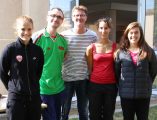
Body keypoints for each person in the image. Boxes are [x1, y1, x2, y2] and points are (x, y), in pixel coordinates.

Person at [0, 15, 44, 120]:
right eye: (23, 29)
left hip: (34, 98)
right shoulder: (10, 49)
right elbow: (2, 72)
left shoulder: (37, 51)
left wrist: (32, 86)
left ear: (32, 29)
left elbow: (38, 72)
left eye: (29, 29)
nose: (26, 32)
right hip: (16, 100)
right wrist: (14, 88)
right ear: (17, 30)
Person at [115, 22, 157, 120]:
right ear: (127, 34)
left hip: (143, 95)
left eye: (136, 32)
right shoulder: (120, 53)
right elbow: (117, 73)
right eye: (131, 33)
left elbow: (153, 72)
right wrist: (123, 86)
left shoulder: (149, 51)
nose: (134, 35)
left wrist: (146, 84)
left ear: (140, 34)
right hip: (126, 95)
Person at [61, 5, 97, 120]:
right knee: (64, 110)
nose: (79, 17)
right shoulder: (64, 35)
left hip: (84, 79)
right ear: (72, 17)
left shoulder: (93, 36)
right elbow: (60, 55)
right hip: (67, 78)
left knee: (83, 110)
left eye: (82, 15)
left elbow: (95, 56)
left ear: (86, 17)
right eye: (76, 15)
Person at [32, 8, 68, 120]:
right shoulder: (36, 37)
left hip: (59, 88)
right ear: (47, 17)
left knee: (57, 117)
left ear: (62, 21)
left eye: (59, 17)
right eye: (53, 15)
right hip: (42, 89)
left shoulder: (63, 40)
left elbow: (63, 59)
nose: (56, 19)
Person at [86, 17, 118, 120]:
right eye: (101, 28)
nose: (103, 31)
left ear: (110, 29)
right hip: (95, 85)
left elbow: (117, 66)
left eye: (106, 28)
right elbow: (90, 68)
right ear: (98, 29)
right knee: (94, 115)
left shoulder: (115, 47)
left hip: (111, 86)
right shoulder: (91, 48)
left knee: (108, 115)